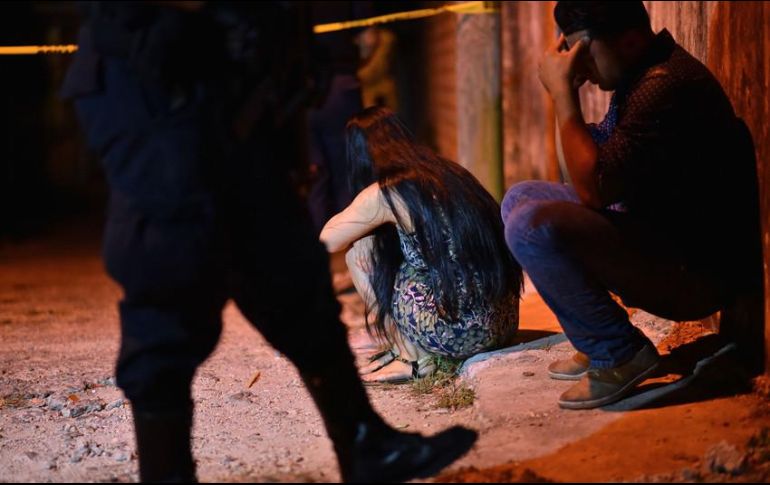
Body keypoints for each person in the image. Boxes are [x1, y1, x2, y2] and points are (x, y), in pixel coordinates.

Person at [60, 2, 477, 482]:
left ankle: (366, 445)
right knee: (168, 275)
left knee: (291, 270)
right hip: (156, 78)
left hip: (242, 84)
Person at [501, 1, 762, 410]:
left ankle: (619, 352)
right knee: (520, 198)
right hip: (658, 241)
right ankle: (597, 333)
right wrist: (564, 92)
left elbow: (593, 188)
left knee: (530, 226)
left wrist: (564, 94)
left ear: (630, 41)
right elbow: (582, 169)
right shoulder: (639, 74)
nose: (578, 68)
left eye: (584, 55)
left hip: (692, 275)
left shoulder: (665, 84)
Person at [321, 107, 522, 384]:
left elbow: (328, 240)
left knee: (360, 251)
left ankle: (412, 360)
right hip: (503, 323)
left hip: (459, 333)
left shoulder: (389, 191)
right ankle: (406, 351)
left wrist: (363, 214)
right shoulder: (447, 172)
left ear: (360, 155)